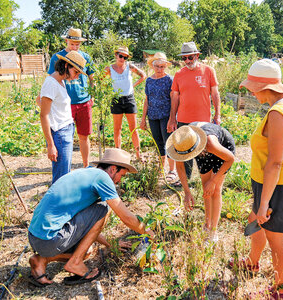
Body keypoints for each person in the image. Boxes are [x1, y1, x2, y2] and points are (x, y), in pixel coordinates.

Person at [234, 59, 283, 299]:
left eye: (251, 87)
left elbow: (275, 163)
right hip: (270, 180)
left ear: (262, 86)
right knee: (255, 220)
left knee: (277, 242)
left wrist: (264, 204)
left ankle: (280, 290)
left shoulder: (278, 113)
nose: (249, 91)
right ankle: (252, 262)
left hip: (277, 184)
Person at [27, 148, 155, 287]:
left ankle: (42, 260)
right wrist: (148, 231)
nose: (120, 181)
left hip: (36, 237)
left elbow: (88, 224)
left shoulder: (86, 173)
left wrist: (109, 244)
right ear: (113, 169)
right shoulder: (102, 178)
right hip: (49, 240)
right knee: (104, 207)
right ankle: (75, 263)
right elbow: (126, 217)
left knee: (86, 252)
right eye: (122, 175)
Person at [166, 122, 235, 242]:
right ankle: (207, 224)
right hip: (202, 148)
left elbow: (230, 159)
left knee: (215, 189)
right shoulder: (180, 143)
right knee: (205, 188)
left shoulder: (210, 143)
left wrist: (213, 181)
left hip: (223, 149)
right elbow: (180, 168)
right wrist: (187, 192)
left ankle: (213, 231)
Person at [167, 42, 221, 178]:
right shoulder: (179, 74)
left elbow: (215, 94)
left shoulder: (208, 71)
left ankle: (206, 178)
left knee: (204, 150)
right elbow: (174, 97)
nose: (187, 61)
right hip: (183, 118)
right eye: (184, 58)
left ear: (197, 56)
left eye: (190, 57)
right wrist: (172, 118)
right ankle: (186, 180)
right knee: (184, 151)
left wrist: (218, 115)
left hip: (203, 120)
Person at [46, 28, 95, 168]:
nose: (74, 47)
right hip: (64, 103)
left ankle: (86, 166)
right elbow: (52, 79)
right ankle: (63, 167)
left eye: (77, 45)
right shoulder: (57, 57)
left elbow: (92, 78)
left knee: (84, 135)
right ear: (66, 41)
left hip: (84, 101)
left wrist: (92, 95)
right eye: (72, 44)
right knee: (63, 136)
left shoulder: (85, 58)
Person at [40, 51, 87, 184]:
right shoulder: (51, 83)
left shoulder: (60, 82)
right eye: (76, 72)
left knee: (64, 175)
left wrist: (52, 111)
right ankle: (56, 203)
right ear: (66, 65)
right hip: (60, 133)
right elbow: (43, 115)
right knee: (61, 179)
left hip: (67, 129)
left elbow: (40, 100)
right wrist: (50, 144)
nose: (77, 76)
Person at [140, 52, 177, 183]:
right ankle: (161, 168)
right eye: (157, 66)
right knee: (158, 143)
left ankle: (172, 170)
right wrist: (143, 118)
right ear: (153, 66)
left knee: (169, 142)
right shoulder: (149, 80)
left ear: (166, 66)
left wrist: (173, 118)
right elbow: (147, 100)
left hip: (166, 116)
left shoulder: (169, 80)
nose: (160, 69)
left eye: (162, 66)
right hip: (153, 116)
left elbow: (173, 99)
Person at [105, 46, 146, 161]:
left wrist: (133, 86)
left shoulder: (130, 67)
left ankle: (138, 154)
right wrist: (107, 90)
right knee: (117, 129)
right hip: (116, 99)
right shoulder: (109, 69)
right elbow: (100, 80)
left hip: (129, 99)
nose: (122, 58)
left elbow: (143, 76)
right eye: (120, 56)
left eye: (125, 57)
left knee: (133, 128)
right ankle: (118, 155)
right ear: (116, 55)